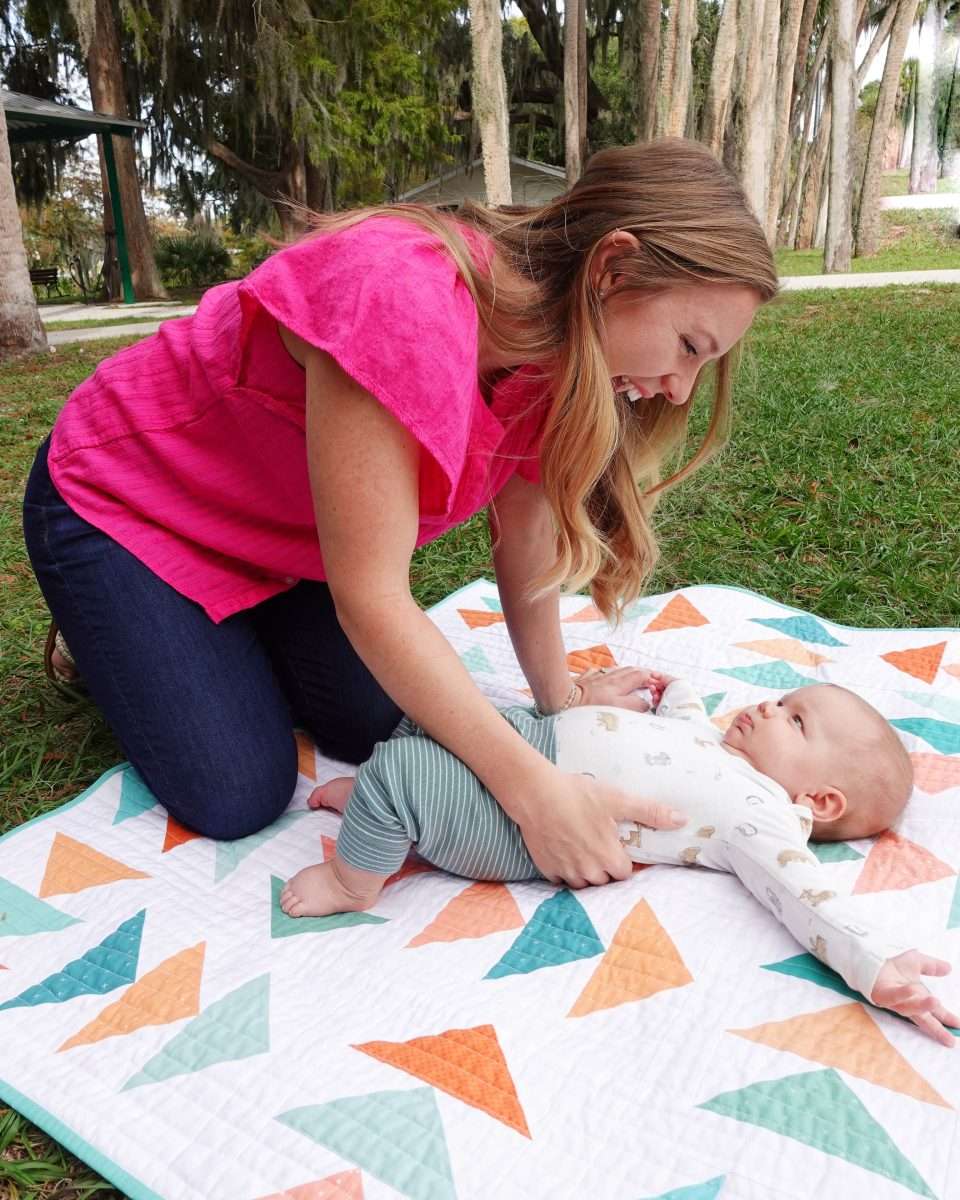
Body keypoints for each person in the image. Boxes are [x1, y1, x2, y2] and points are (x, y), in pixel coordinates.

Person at [23, 138, 777, 887]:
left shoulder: (562, 356)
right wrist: (533, 792)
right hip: (128, 504)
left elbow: (527, 539)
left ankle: (223, 629)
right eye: (688, 346)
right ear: (612, 268)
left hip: (289, 541)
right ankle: (108, 632)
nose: (681, 389)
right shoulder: (401, 298)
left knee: (376, 723)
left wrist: (561, 703)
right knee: (237, 790)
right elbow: (372, 597)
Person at [280, 678, 959, 1047]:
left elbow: (810, 900)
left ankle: (354, 876)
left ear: (820, 798)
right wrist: (672, 693)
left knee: (401, 775)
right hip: (529, 747)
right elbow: (679, 730)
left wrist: (876, 963)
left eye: (795, 720)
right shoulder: (723, 745)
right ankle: (376, 809)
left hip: (522, 828)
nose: (767, 707)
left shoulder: (764, 818)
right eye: (782, 698)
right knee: (432, 710)